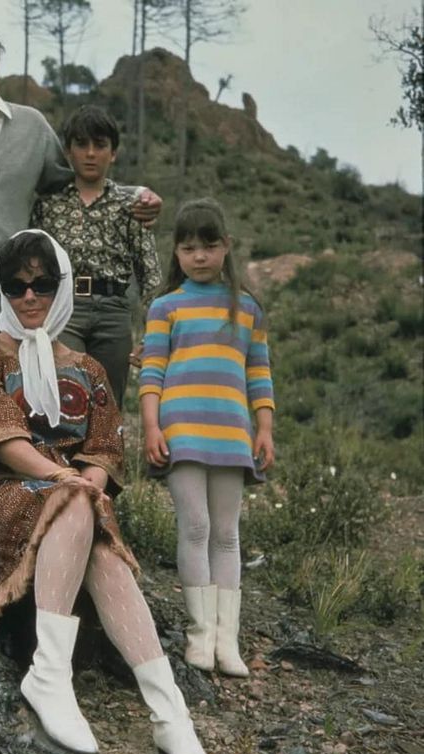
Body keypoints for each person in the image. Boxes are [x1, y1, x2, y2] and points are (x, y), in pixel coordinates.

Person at [0, 19, 162, 573]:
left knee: (28, 408)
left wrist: (136, 195)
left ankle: (32, 522)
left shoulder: (32, 127)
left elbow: (79, 182)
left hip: (10, 293)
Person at [0, 230, 211, 754]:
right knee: (77, 500)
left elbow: (105, 446)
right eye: (15, 286)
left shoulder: (88, 369)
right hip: (1, 500)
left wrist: (79, 483)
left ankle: (169, 713)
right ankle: (53, 676)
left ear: (61, 288)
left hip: (75, 502)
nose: (29, 298)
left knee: (94, 530)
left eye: (42, 285)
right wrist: (62, 479)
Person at [138, 197, 275, 677]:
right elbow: (152, 371)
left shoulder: (247, 308)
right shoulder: (164, 307)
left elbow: (259, 373)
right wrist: (152, 426)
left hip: (232, 434)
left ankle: (226, 642)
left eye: (209, 246)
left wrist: (264, 429)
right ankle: (199, 637)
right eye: (189, 247)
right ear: (175, 253)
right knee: (194, 527)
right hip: (181, 431)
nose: (199, 256)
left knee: (227, 533)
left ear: (226, 248)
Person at [31, 105, 161, 408]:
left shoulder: (130, 204)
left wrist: (152, 334)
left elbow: (150, 274)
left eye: (100, 145)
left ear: (113, 153)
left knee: (107, 404)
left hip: (113, 315)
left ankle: (104, 457)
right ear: (68, 151)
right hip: (65, 310)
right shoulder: (48, 205)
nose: (91, 153)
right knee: (68, 394)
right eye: (82, 145)